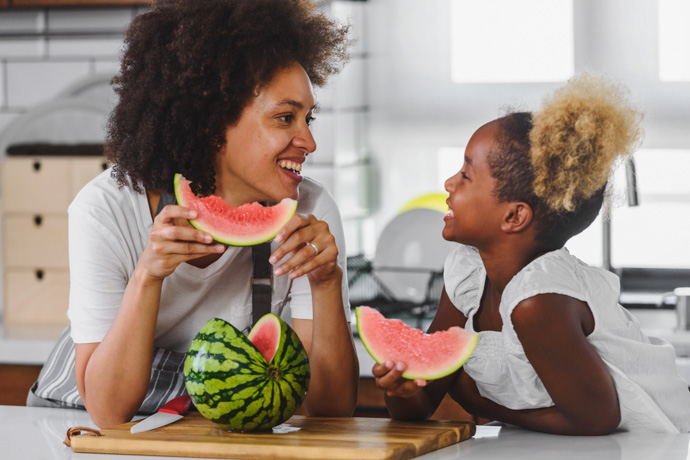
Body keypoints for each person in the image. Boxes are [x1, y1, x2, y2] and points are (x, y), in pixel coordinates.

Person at [28, 0, 358, 428]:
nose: (309, 141)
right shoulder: (106, 210)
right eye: (285, 118)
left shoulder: (310, 213)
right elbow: (108, 413)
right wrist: (148, 274)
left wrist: (327, 282)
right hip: (75, 429)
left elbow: (332, 410)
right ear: (212, 121)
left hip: (207, 432)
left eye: (308, 118)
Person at [372, 74, 690, 435]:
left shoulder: (538, 301)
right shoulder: (467, 273)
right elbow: (422, 399)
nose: (448, 184)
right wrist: (401, 390)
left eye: (465, 175)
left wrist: (480, 404)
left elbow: (596, 418)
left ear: (514, 216)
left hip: (659, 446)